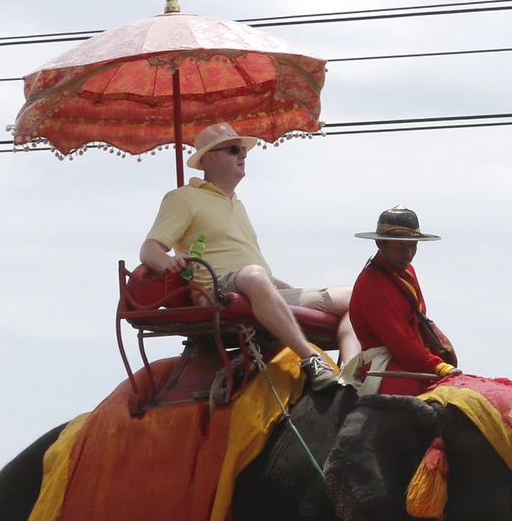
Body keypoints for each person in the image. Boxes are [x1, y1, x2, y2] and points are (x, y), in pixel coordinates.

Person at [139, 122, 355, 390]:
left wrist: (277, 285)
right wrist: (167, 262)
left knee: (354, 297)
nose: (242, 154)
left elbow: (248, 265)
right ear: (209, 157)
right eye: (233, 149)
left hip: (255, 285)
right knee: (254, 275)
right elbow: (149, 248)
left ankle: (350, 373)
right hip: (217, 289)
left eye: (243, 150)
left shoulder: (237, 203)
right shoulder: (183, 197)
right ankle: (311, 359)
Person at [348, 207, 460, 395]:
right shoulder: (371, 283)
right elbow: (399, 342)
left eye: (413, 246)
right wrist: (438, 367)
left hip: (414, 358)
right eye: (400, 247)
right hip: (385, 362)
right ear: (380, 243)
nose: (408, 253)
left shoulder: (408, 272)